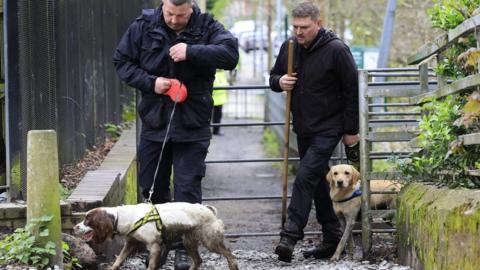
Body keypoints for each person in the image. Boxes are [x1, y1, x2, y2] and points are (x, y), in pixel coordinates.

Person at [113, 0, 239, 269]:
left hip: (193, 123)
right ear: (163, 5)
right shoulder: (143, 26)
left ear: (191, 9)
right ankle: (157, 247)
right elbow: (121, 61)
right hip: (154, 123)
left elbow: (230, 55)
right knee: (151, 187)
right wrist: (151, 82)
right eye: (169, 13)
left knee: (187, 190)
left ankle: (185, 249)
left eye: (180, 15)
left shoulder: (208, 26)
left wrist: (191, 51)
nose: (173, 20)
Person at [269, 2, 359, 262]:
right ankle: (331, 237)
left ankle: (289, 236)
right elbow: (274, 77)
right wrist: (279, 82)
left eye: (304, 27)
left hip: (329, 127)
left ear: (318, 24)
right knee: (320, 181)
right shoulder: (289, 47)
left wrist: (351, 130)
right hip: (304, 127)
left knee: (306, 175)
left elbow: (352, 91)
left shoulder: (337, 50)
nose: (299, 32)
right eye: (295, 27)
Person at [212, 69, 229, 135]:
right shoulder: (215, 74)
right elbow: (217, 85)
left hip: (219, 99)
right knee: (215, 116)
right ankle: (215, 131)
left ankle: (216, 130)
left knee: (217, 116)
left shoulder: (222, 74)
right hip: (215, 99)